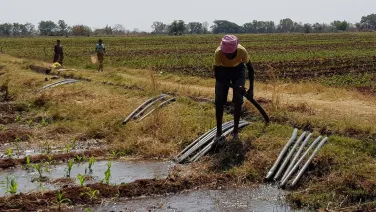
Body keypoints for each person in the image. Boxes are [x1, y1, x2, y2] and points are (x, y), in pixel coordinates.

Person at [213, 35, 255, 141]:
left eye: (230, 52)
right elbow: (218, 76)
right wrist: (233, 86)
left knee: (238, 100)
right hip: (223, 71)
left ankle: (235, 132)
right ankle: (219, 132)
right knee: (219, 101)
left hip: (238, 70)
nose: (228, 54)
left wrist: (251, 89)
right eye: (226, 52)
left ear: (235, 49)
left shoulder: (242, 51)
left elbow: (250, 69)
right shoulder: (218, 53)